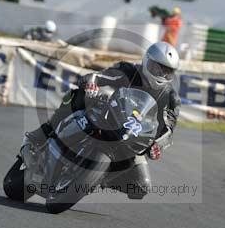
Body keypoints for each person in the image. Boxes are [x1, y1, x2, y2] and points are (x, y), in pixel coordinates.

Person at [24, 41, 181, 198]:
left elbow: (168, 128)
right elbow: (101, 76)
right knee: (79, 95)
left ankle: (95, 179)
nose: (162, 74)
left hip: (133, 136)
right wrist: (92, 83)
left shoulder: (170, 97)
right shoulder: (128, 70)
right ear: (147, 61)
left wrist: (158, 144)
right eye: (158, 68)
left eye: (167, 71)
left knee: (141, 187)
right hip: (109, 115)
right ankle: (42, 133)